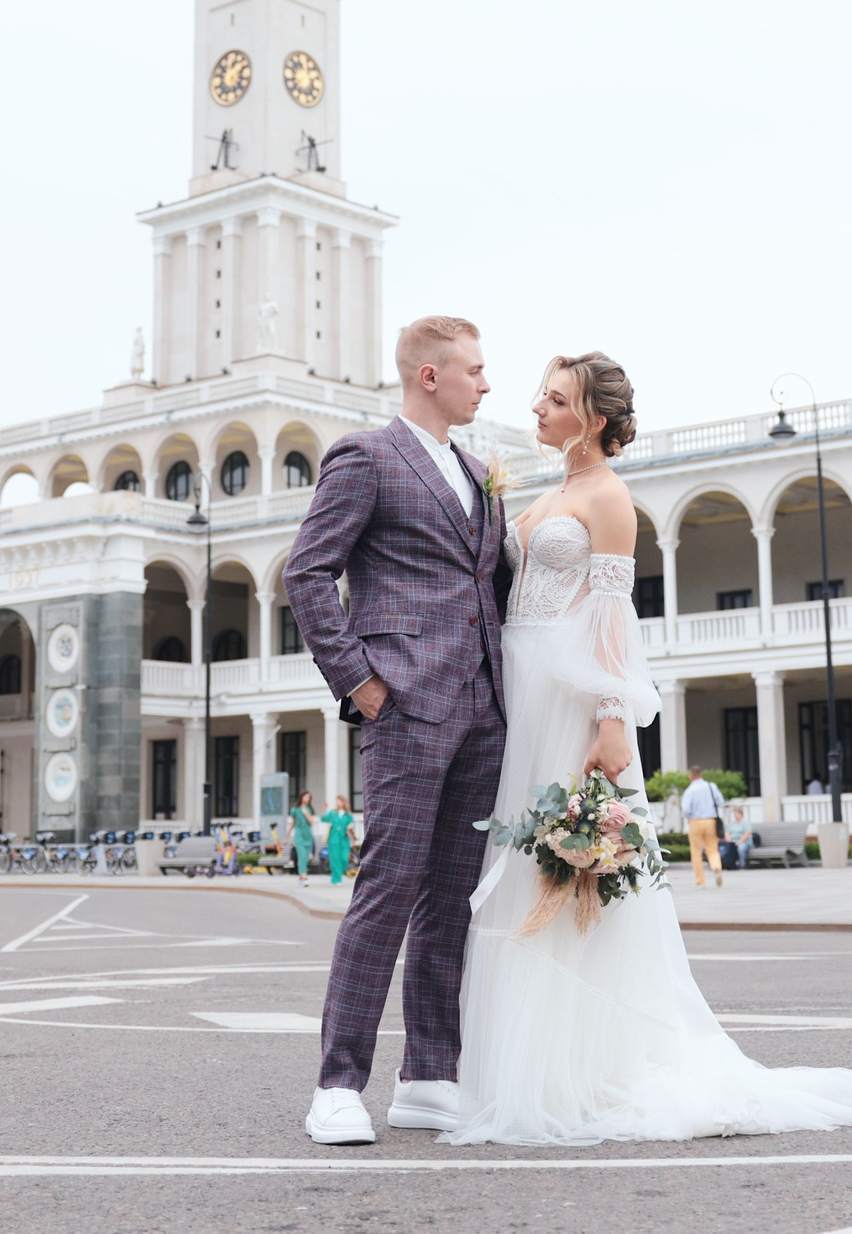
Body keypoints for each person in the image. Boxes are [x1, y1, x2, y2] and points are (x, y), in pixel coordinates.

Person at [442, 351, 852, 1147]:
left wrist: (613, 716)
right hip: (520, 685)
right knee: (522, 870)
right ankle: (530, 1067)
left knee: (577, 868)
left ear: (592, 419)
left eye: (554, 400)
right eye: (541, 396)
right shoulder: (543, 489)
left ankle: (592, 1067)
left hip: (571, 695)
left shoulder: (610, 497)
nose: (537, 408)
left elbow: (613, 619)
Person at [287, 314, 507, 1145]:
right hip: (405, 703)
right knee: (386, 890)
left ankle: (428, 1073)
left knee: (450, 900)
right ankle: (337, 1083)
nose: (486, 383)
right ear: (430, 376)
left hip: (483, 711)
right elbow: (307, 571)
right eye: (476, 370)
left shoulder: (482, 470)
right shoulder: (367, 455)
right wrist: (362, 682)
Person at [679, 765, 725, 888]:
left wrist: (688, 817)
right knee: (712, 848)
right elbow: (720, 801)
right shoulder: (711, 786)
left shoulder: (690, 790)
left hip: (695, 821)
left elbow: (685, 809)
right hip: (711, 821)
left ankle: (700, 881)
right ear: (701, 774)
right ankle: (716, 867)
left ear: (692, 775)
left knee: (696, 852)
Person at [323, 796, 354, 885]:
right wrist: (325, 810)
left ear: (343, 802)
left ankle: (338, 874)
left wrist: (350, 826)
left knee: (345, 858)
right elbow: (324, 818)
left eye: (339, 801)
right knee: (335, 859)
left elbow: (352, 823)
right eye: (336, 802)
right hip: (334, 838)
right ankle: (336, 879)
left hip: (344, 838)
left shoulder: (348, 814)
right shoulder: (333, 813)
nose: (337, 803)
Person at [291, 790, 319, 887]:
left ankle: (300, 877)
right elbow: (292, 824)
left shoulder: (310, 809)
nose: (307, 799)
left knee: (306, 857)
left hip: (308, 836)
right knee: (302, 856)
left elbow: (312, 822)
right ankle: (304, 877)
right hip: (299, 836)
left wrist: (306, 813)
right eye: (306, 797)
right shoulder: (295, 810)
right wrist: (287, 837)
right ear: (302, 797)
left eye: (309, 798)